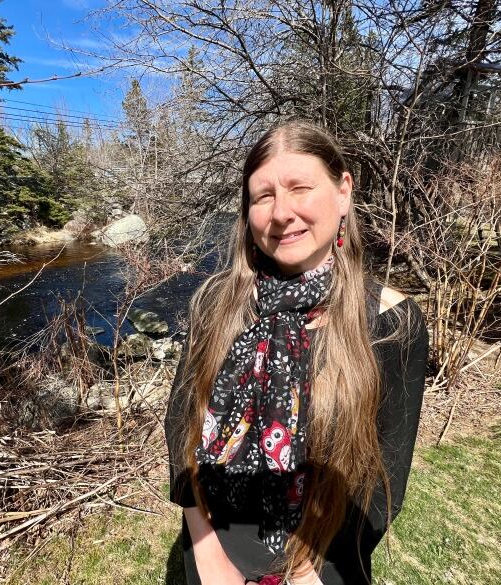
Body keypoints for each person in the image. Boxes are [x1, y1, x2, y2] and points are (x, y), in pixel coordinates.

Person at [165, 120, 428, 585]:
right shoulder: (216, 305)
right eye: (263, 196)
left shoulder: (392, 322)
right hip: (214, 552)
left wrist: (305, 573)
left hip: (324, 564)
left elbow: (382, 484)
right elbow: (181, 426)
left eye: (299, 187)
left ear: (343, 190)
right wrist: (207, 556)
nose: (280, 212)